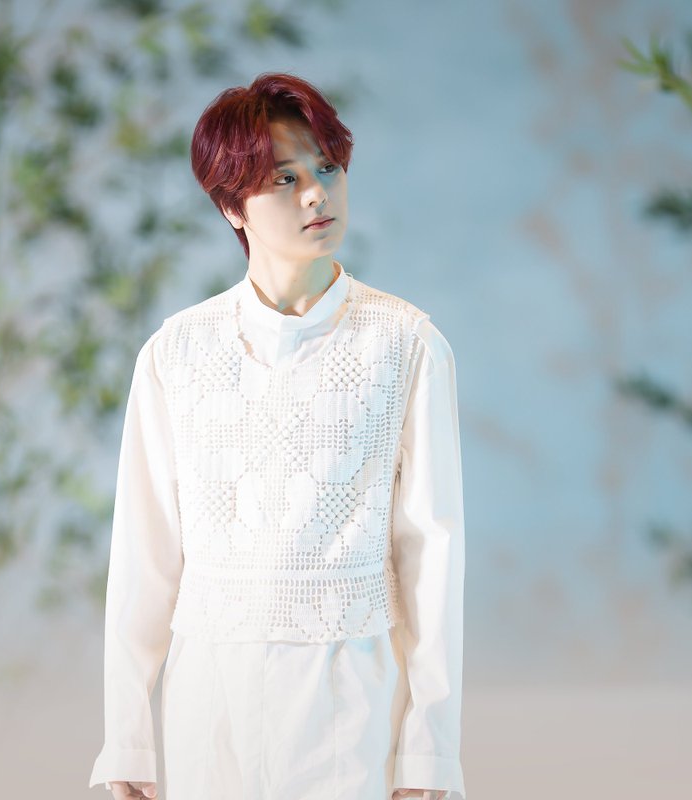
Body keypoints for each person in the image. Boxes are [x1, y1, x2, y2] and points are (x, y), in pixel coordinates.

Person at [88, 71, 466, 800]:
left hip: (352, 703)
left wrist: (429, 754)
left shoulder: (406, 345)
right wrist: (128, 739)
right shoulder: (176, 353)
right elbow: (145, 556)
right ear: (232, 206)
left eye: (327, 168)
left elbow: (432, 557)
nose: (317, 195)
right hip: (210, 707)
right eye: (285, 179)